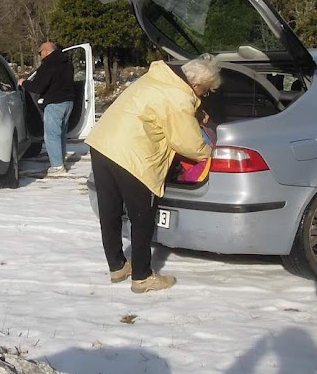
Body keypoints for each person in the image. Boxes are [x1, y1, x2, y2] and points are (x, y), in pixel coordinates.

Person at [86, 55, 221, 293]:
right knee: (142, 217)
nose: (203, 96)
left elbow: (160, 110)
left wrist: (197, 114)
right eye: (206, 92)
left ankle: (117, 266)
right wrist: (209, 152)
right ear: (197, 85)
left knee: (110, 211)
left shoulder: (156, 79)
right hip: (133, 155)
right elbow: (186, 142)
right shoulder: (179, 97)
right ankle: (142, 277)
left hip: (102, 144)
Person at [19, 41, 76, 175]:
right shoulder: (67, 63)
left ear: (45, 51)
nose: (40, 55)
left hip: (54, 103)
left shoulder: (48, 66)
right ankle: (60, 160)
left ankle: (57, 166)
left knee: (51, 135)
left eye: (40, 52)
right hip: (69, 101)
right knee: (61, 134)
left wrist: (24, 83)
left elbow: (38, 87)